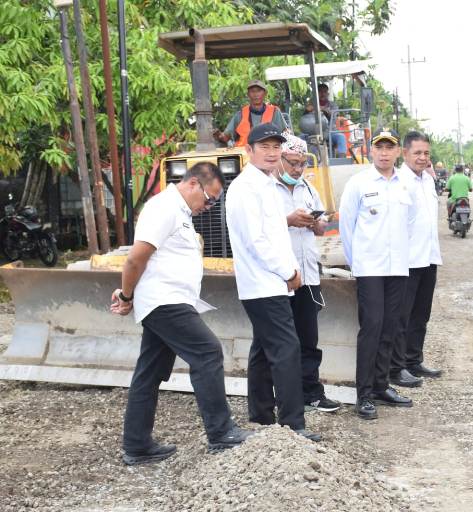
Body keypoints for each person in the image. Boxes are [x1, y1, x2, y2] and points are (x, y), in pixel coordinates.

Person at [111, 162, 253, 465]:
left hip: (169, 300)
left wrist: (132, 294)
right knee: (208, 352)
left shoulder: (181, 213)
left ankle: (137, 446)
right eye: (210, 198)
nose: (210, 206)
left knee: (148, 373)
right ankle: (221, 432)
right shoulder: (164, 208)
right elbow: (136, 259)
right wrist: (126, 295)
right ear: (192, 184)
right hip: (165, 302)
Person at [225, 123, 321, 442]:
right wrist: (289, 271)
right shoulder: (246, 188)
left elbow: (274, 236)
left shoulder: (264, 184)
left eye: (275, 146)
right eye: (263, 146)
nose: (271, 152)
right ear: (248, 151)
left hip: (269, 281)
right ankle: (293, 425)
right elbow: (257, 241)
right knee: (286, 348)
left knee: (264, 348)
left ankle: (262, 414)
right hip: (263, 282)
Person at [339, 128, 416, 420]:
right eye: (379, 147)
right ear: (371, 151)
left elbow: (408, 223)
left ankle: (382, 386)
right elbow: (347, 226)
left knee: (390, 327)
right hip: (370, 267)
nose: (384, 152)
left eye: (390, 147)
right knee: (371, 327)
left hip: (397, 267)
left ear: (398, 152)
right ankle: (364, 394)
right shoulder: (358, 183)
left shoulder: (404, 185)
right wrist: (355, 262)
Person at [275, 134, 341, 413]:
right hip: (280, 276)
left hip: (308, 275)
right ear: (279, 159)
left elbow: (322, 226)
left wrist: (315, 224)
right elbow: (257, 229)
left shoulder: (308, 188)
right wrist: (288, 221)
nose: (297, 169)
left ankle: (311, 392)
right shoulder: (266, 190)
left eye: (301, 163)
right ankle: (282, 397)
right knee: (281, 342)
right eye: (292, 163)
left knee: (308, 338)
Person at [389, 131, 443, 388]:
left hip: (429, 256)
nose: (422, 158)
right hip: (407, 260)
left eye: (426, 153)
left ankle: (414, 360)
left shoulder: (427, 181)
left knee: (421, 314)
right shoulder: (399, 181)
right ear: (405, 153)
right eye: (417, 153)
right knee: (401, 317)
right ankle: (396, 368)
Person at [214, 79, 288, 147]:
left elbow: (285, 134)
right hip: (244, 155)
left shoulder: (274, 112)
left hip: (267, 154)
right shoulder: (240, 115)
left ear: (265, 93)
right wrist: (219, 135)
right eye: (252, 91)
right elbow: (226, 137)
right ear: (248, 94)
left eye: (259, 91)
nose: (256, 94)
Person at [318, 84, 348, 158]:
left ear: (327, 94)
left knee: (341, 137)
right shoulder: (311, 105)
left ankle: (342, 160)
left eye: (324, 92)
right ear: (316, 93)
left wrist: (325, 111)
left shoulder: (333, 105)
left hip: (330, 131)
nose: (322, 94)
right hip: (314, 132)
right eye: (320, 91)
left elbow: (333, 117)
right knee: (301, 137)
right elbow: (305, 118)